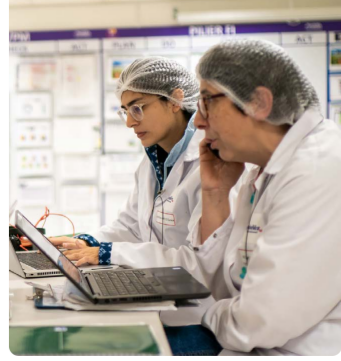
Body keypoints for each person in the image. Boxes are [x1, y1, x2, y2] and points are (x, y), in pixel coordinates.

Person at [171, 39, 341, 356]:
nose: (198, 120)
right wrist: (216, 193)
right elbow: (223, 284)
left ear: (259, 102)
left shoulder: (320, 168)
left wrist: (205, 316)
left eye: (207, 102)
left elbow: (255, 323)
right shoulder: (261, 172)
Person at [49, 57, 222, 286]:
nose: (130, 122)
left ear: (175, 100)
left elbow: (198, 260)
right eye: (125, 111)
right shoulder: (152, 160)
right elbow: (130, 226)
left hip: (195, 309)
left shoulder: (210, 163)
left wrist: (106, 253)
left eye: (138, 108)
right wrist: (86, 243)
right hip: (157, 293)